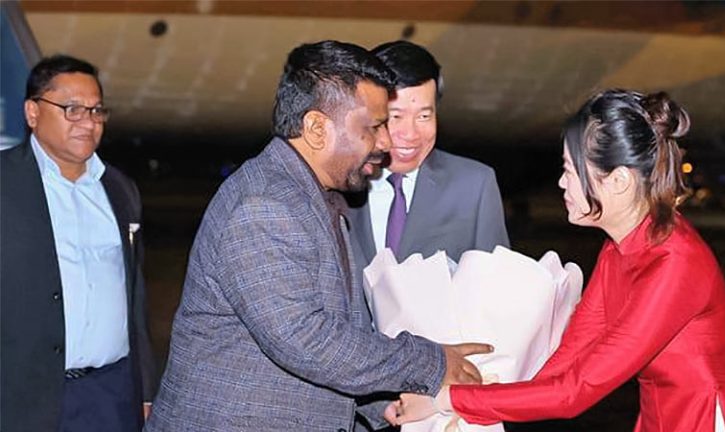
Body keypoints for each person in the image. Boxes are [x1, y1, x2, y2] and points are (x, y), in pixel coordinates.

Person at [144, 40, 491, 432]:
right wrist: (429, 362)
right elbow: (306, 339)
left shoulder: (320, 197)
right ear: (315, 128)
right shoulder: (263, 206)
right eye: (373, 126)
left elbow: (342, 329)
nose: (385, 142)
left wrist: (382, 407)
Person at [391, 89, 725, 431]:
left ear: (617, 180)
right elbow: (571, 355)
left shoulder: (673, 264)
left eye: (571, 170)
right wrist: (483, 392)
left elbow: (574, 391)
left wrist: (445, 399)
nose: (561, 184)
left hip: (706, 421)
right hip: (659, 418)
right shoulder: (621, 246)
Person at [0, 55, 157, 432]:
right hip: (20, 398)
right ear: (32, 112)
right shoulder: (5, 183)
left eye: (96, 110)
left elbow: (134, 296)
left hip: (111, 395)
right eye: (72, 109)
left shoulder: (119, 189)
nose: (88, 122)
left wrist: (145, 388)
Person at [346, 41, 509, 270]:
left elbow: (497, 287)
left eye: (423, 116)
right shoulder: (338, 184)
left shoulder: (474, 186)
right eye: (395, 116)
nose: (411, 134)